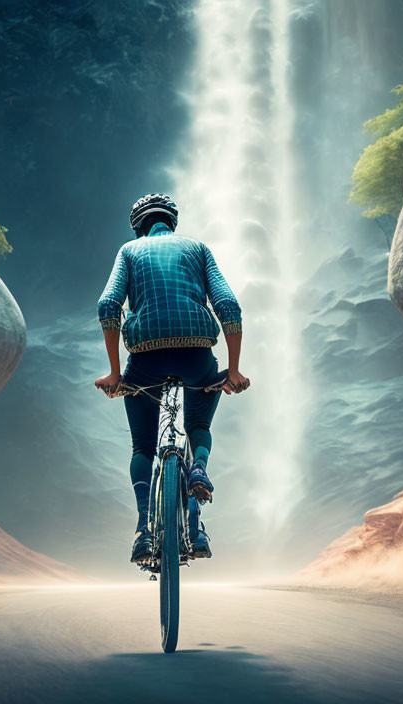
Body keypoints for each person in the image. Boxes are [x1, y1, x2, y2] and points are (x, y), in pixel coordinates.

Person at [94, 193, 250, 563]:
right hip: (197, 356)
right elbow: (229, 305)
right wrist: (234, 367)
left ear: (139, 226)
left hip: (145, 361)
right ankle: (197, 479)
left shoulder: (129, 251)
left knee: (143, 447)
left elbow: (108, 305)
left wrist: (116, 373)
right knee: (198, 424)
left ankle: (143, 531)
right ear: (172, 222)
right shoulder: (198, 248)